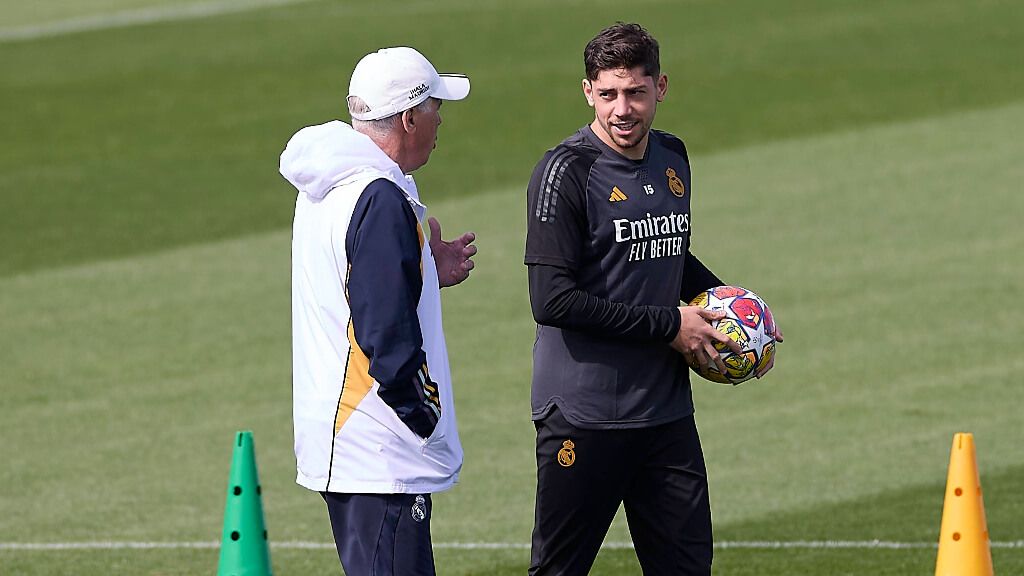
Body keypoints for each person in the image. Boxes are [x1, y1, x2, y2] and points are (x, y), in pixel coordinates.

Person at [524, 23, 782, 575]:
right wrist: (670, 326)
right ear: (588, 91)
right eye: (609, 93)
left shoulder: (672, 157)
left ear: (660, 87)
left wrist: (742, 314)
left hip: (664, 415)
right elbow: (552, 301)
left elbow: (668, 256)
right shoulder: (565, 171)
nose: (623, 109)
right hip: (583, 415)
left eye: (636, 92)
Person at [279, 46, 477, 575]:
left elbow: (352, 285)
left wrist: (421, 269)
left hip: (351, 446)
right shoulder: (379, 197)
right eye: (436, 107)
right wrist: (425, 412)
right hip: (380, 451)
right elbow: (383, 334)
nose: (441, 120)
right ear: (410, 118)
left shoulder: (330, 184)